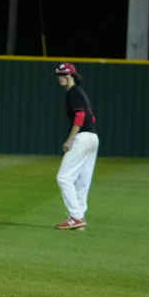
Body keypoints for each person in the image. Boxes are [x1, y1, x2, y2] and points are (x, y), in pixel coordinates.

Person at [53, 62, 99, 230]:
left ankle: (76, 216)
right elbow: (91, 118)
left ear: (72, 76)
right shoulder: (80, 92)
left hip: (83, 137)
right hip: (92, 137)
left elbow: (80, 115)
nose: (61, 78)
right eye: (59, 75)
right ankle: (79, 217)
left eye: (64, 75)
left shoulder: (73, 92)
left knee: (64, 177)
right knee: (81, 182)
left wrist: (70, 139)